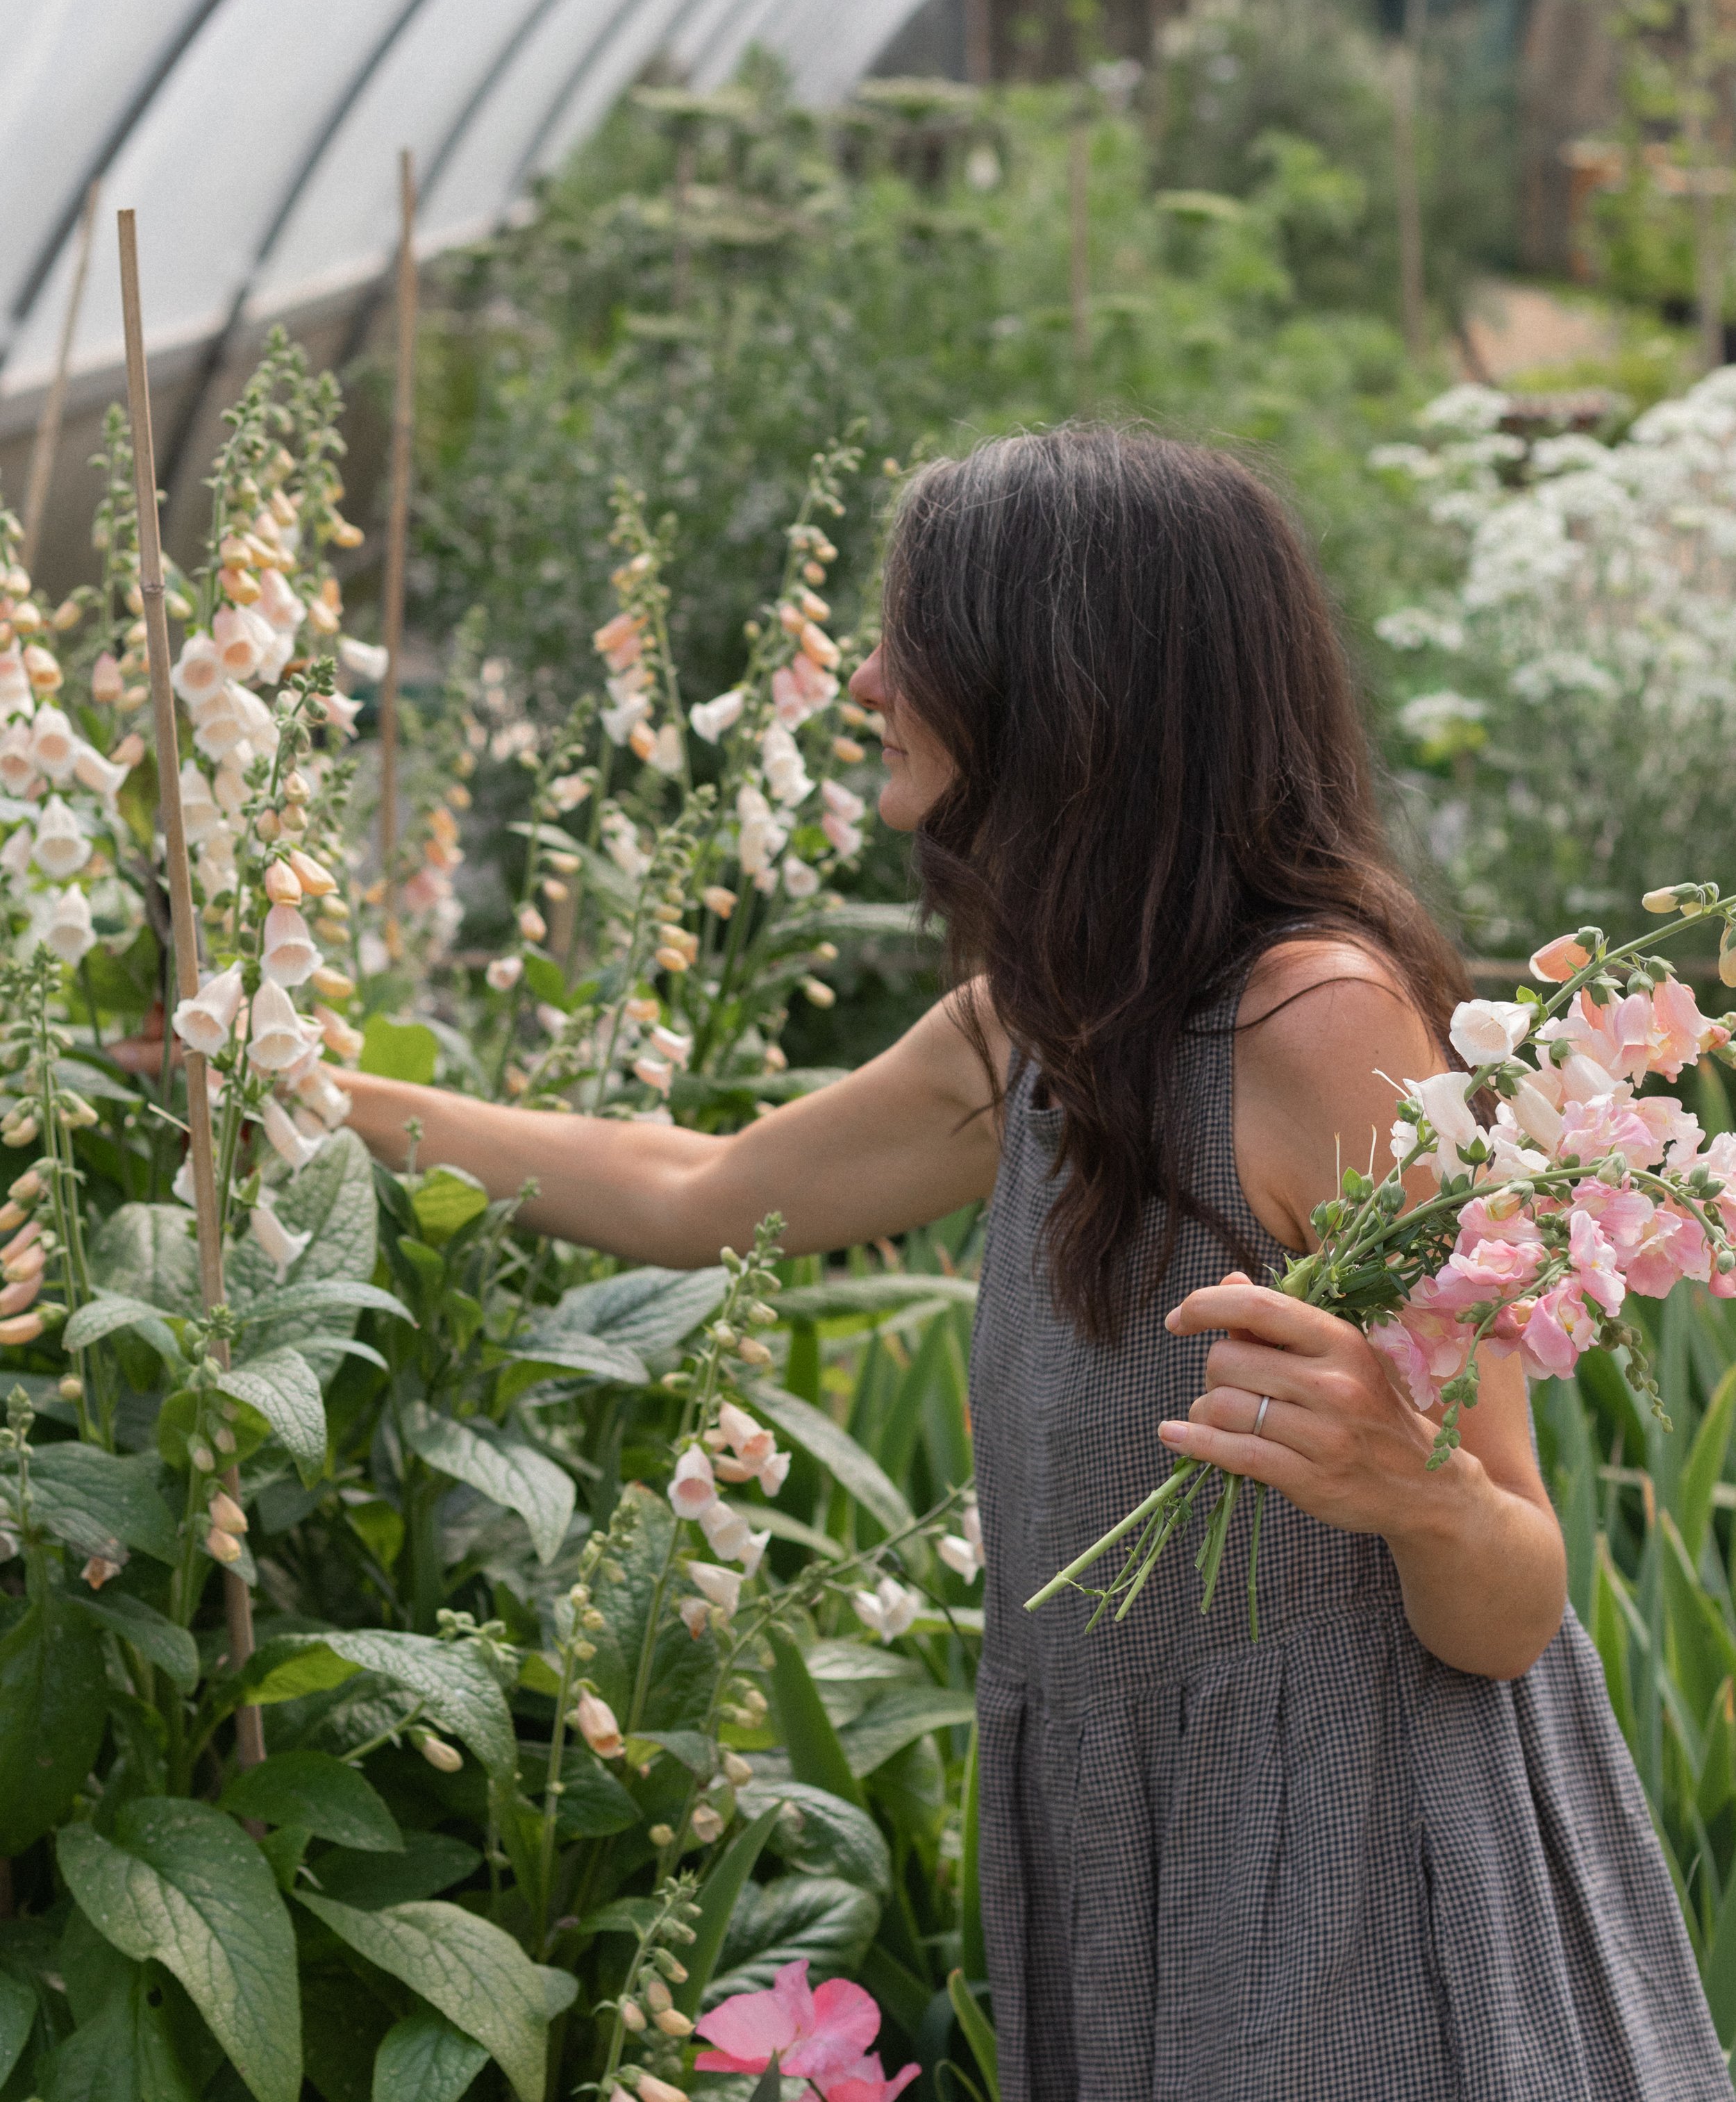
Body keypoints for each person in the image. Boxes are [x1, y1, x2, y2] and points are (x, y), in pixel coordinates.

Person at [339, 429, 1728, 2101]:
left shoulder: (1317, 1025)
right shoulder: (1050, 1026)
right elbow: (686, 1192)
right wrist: (297, 1082)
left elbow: (1511, 1602)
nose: (863, 683)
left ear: (1060, 686)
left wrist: (1416, 1488)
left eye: (907, 636)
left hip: (1351, 1877)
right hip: (1130, 1841)